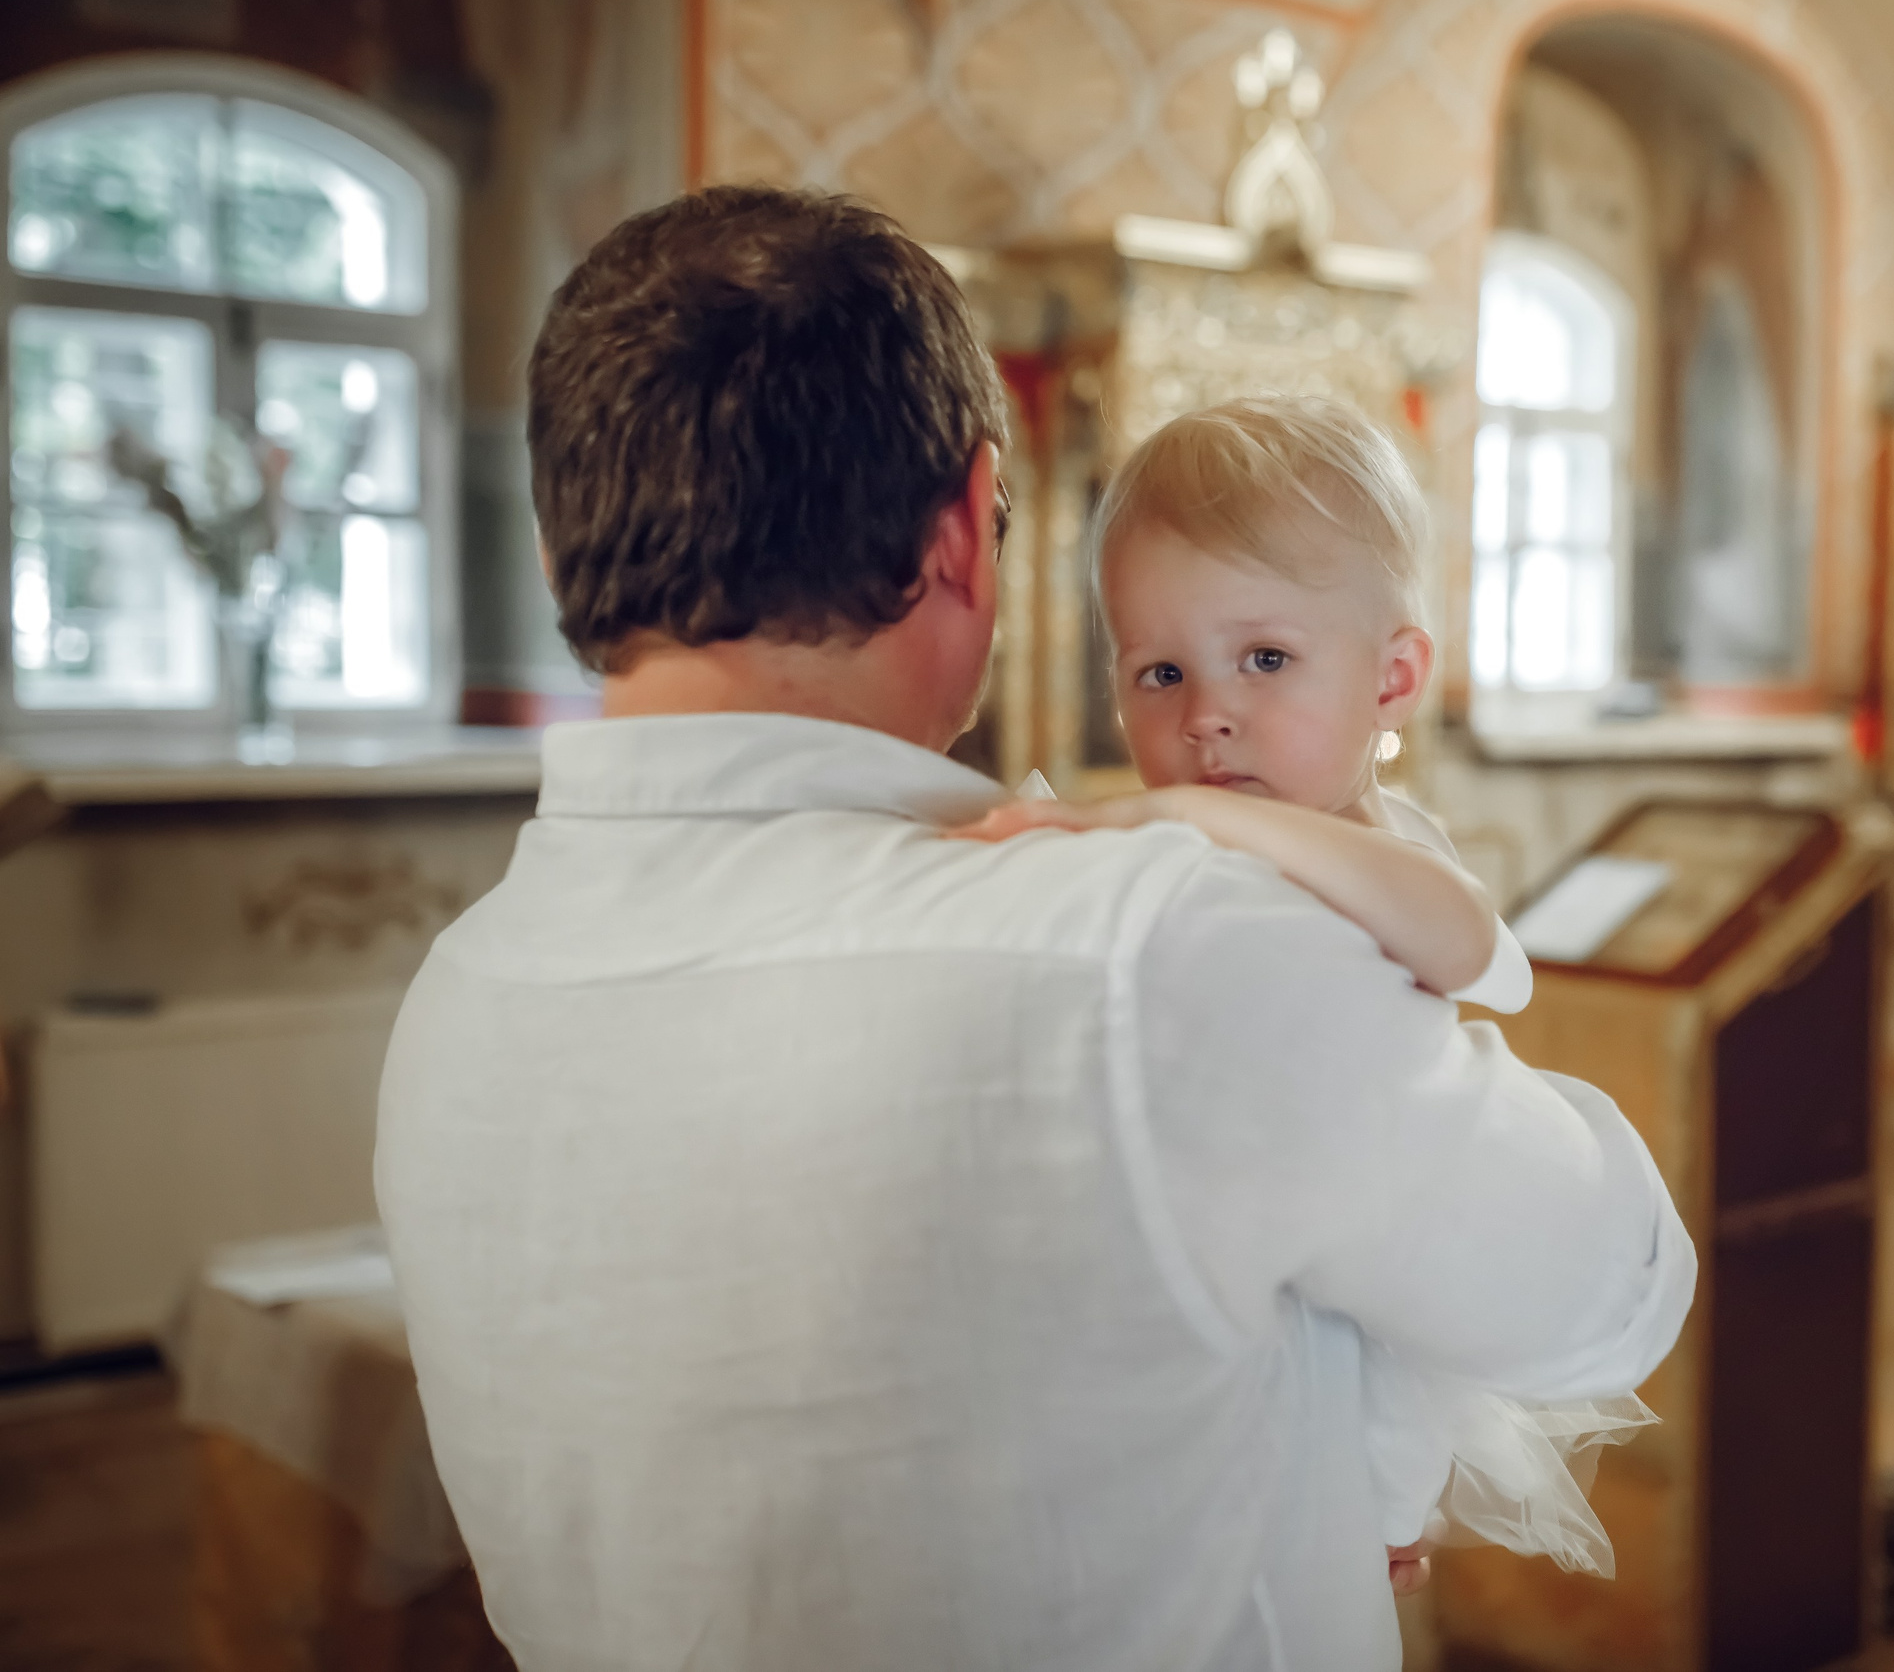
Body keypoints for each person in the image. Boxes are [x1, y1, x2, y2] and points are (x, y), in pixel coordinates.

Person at [373, 184, 1693, 1672]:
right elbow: (1607, 1290)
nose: (1206, 712)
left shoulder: (450, 1001)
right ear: (962, 531)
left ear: (563, 552)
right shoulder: (1149, 945)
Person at [961, 395, 1653, 1578]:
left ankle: (1382, 1517)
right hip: (1209, 1301)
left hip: (1376, 1294)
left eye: (1265, 659)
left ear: (1392, 683)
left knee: (1356, 1443)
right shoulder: (1195, 846)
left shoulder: (1380, 847)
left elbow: (1480, 948)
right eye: (1159, 672)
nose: (1206, 715)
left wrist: (1179, 810)